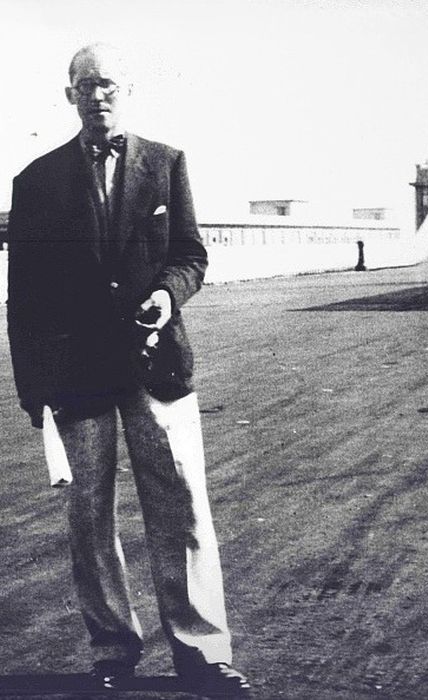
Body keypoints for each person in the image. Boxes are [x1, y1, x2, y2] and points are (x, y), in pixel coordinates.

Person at [7, 43, 250, 697]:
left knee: (182, 506)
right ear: (69, 96)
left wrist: (167, 295)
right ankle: (113, 650)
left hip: (157, 367)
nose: (98, 96)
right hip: (78, 377)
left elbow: (191, 254)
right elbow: (23, 300)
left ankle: (203, 653)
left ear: (128, 90)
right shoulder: (36, 183)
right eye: (85, 86)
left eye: (108, 84)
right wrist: (38, 397)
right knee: (90, 517)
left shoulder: (167, 164)